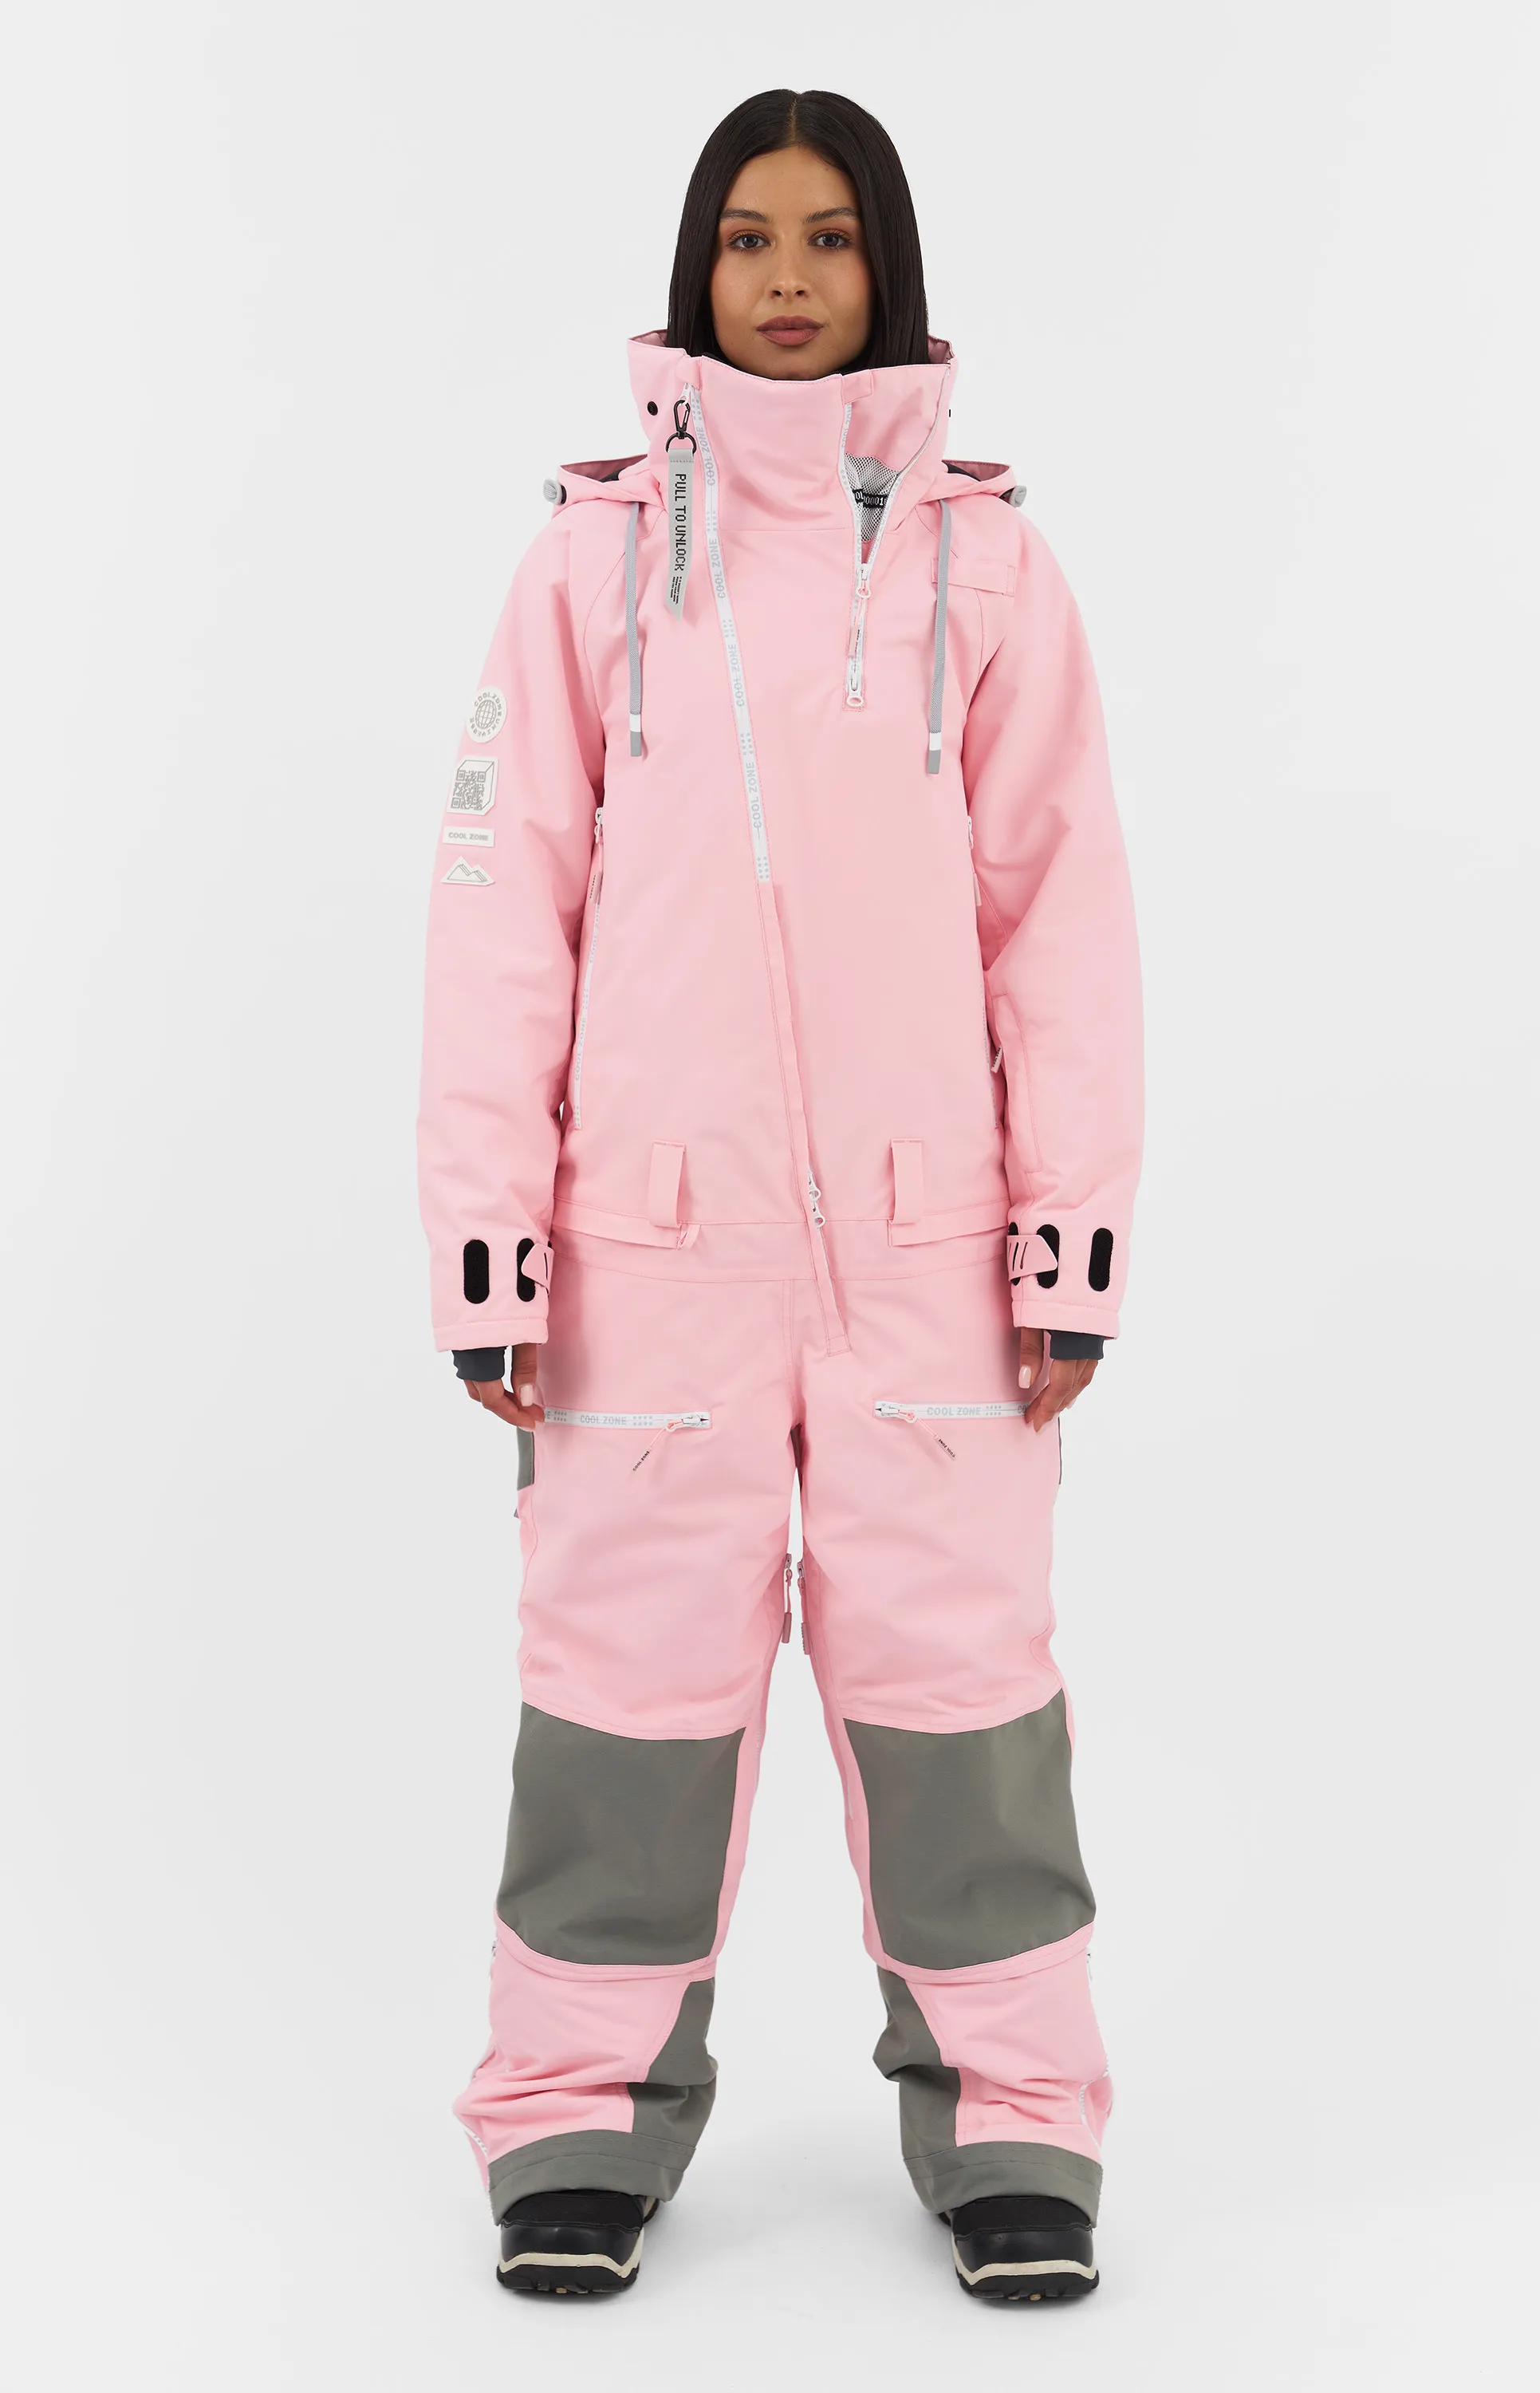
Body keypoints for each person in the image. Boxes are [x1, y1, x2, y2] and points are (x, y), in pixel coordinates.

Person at [418, 87, 1142, 2306]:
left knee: (964, 1700)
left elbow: (1061, 920)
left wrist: (1069, 1235)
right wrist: (492, 1244)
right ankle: (575, 2115)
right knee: (622, 1698)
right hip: (647, 1263)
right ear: (697, 271)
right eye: (751, 237)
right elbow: (502, 910)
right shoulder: (589, 564)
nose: (792, 277)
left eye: (831, 236)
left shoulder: (987, 570)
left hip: (932, 1264)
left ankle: (1014, 2118)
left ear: (887, 268)